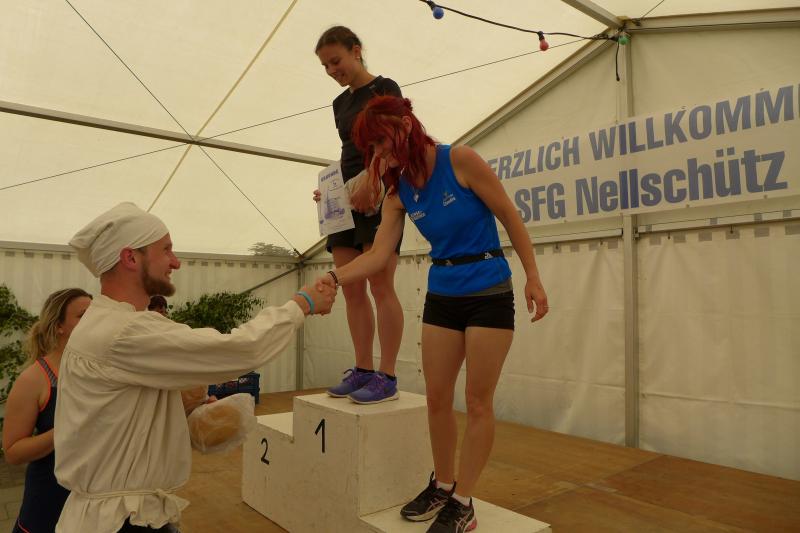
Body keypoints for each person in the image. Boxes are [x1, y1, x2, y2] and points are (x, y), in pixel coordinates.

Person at [316, 96, 548, 533]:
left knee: (477, 401)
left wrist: (533, 276)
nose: (378, 155)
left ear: (406, 125)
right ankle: (442, 485)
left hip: (488, 290)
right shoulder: (398, 190)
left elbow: (509, 215)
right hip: (442, 293)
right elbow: (378, 255)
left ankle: (464, 502)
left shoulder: (460, 160)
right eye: (372, 149)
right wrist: (333, 277)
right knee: (437, 398)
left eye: (381, 143)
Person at [54, 202, 335, 533]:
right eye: (166, 250)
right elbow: (239, 350)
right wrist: (301, 305)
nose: (176, 262)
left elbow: (119, 418)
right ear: (130, 258)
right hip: (122, 522)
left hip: (122, 516)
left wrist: (180, 408)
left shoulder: (108, 323)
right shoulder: (123, 331)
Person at [313, 25, 405, 404]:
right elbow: (348, 153)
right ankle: (363, 368)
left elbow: (398, 139)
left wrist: (374, 178)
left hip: (380, 194)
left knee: (381, 285)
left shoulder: (385, 87)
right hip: (345, 201)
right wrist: (330, 191)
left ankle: (388, 375)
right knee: (351, 288)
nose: (332, 70)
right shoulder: (339, 104)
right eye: (325, 66)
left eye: (336, 61)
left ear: (356, 50)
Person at [3, 288, 92, 533]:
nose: (93, 321)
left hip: (94, 507)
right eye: (83, 316)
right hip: (49, 505)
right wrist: (65, 430)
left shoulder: (101, 372)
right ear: (59, 326)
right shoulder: (34, 379)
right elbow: (13, 452)